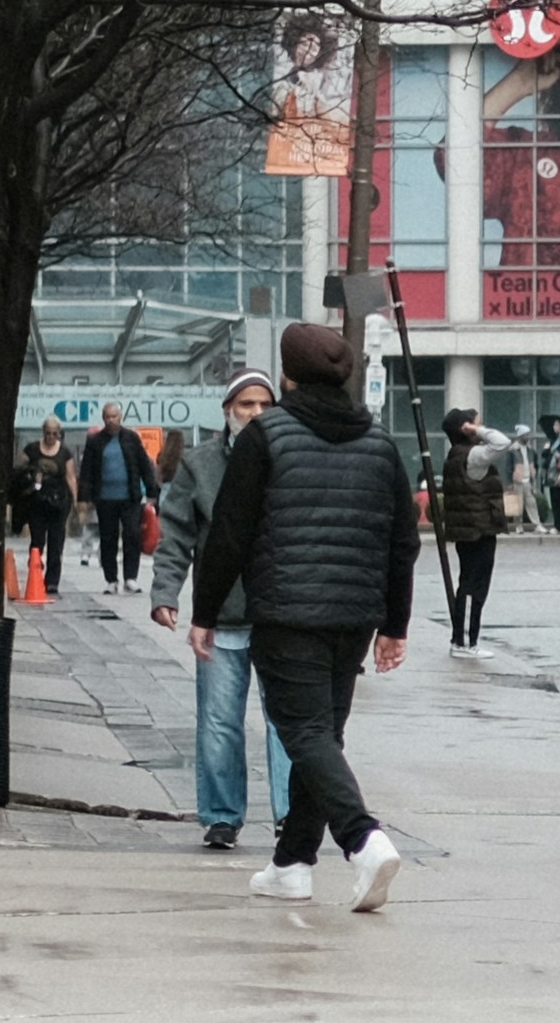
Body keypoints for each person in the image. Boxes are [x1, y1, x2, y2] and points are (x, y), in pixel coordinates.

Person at [184, 320, 416, 910]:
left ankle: (363, 840)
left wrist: (204, 610)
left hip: (287, 611)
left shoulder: (268, 438)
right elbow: (401, 543)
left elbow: (230, 536)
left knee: (307, 733)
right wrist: (394, 624)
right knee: (324, 735)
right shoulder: (381, 444)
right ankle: (291, 863)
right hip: (355, 617)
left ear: (287, 375)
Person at [150, 372, 294, 853]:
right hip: (223, 614)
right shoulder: (201, 464)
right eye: (246, 404)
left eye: (265, 405)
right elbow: (176, 536)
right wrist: (165, 593)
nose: (256, 413)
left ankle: (291, 816)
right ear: (228, 409)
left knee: (287, 722)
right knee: (218, 721)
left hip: (281, 615)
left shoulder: (291, 457)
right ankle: (221, 816)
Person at [428, 407, 512, 650]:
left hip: (468, 529)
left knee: (468, 580)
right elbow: (501, 442)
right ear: (465, 430)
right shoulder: (473, 456)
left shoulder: (456, 455)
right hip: (479, 528)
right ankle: (465, 640)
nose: (480, 428)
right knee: (475, 584)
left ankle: (463, 639)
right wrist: (477, 430)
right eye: (475, 424)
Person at [78, 409, 152, 589]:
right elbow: (86, 470)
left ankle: (130, 578)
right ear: (103, 419)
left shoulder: (131, 438)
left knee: (132, 535)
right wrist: (83, 499)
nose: (111, 420)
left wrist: (152, 490)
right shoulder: (95, 441)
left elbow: (144, 464)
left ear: (121, 418)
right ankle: (111, 579)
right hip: (105, 498)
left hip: (130, 496)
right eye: (108, 417)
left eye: (114, 417)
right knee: (108, 538)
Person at [9, 424, 74, 600]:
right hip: (36, 502)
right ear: (43, 432)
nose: (51, 437)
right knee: (37, 540)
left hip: (58, 502)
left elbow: (70, 476)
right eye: (48, 433)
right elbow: (18, 470)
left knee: (56, 541)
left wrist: (75, 501)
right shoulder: (32, 450)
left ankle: (52, 581)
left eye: (55, 434)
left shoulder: (65, 453)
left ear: (59, 434)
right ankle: (35, 570)